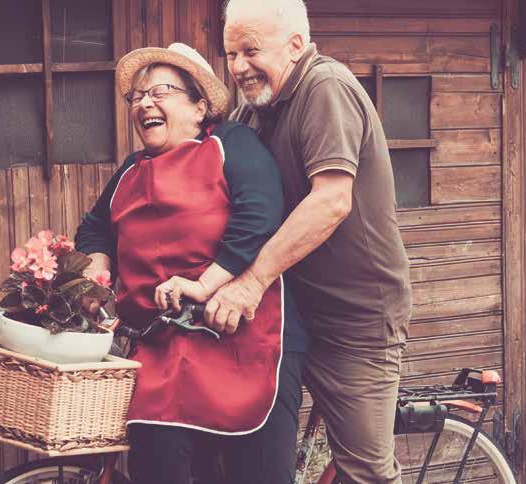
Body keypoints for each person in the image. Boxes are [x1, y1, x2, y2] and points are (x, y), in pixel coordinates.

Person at [74, 42, 307, 484]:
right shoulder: (131, 169)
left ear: (200, 108)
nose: (144, 103)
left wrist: (204, 284)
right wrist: (96, 278)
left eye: (159, 91)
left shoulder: (231, 144)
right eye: (137, 97)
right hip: (160, 349)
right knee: (156, 462)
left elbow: (259, 214)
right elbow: (95, 228)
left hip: (244, 340)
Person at [203, 1, 413, 483]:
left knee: (365, 471)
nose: (238, 67)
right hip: (291, 314)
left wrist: (250, 282)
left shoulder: (325, 88)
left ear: (296, 45)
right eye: (231, 54)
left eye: (250, 50)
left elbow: (331, 201)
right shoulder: (256, 109)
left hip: (353, 319)